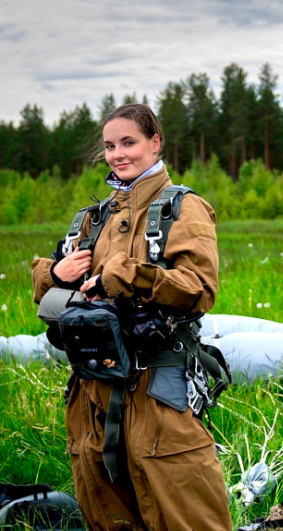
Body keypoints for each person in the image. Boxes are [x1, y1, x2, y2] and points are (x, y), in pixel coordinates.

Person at [31, 104, 232, 531]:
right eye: (109, 146)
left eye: (129, 142)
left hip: (156, 391)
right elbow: (49, 290)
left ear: (154, 143)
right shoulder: (93, 217)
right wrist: (53, 273)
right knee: (108, 513)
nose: (118, 154)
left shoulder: (184, 208)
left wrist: (126, 275)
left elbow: (199, 289)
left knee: (185, 508)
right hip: (91, 394)